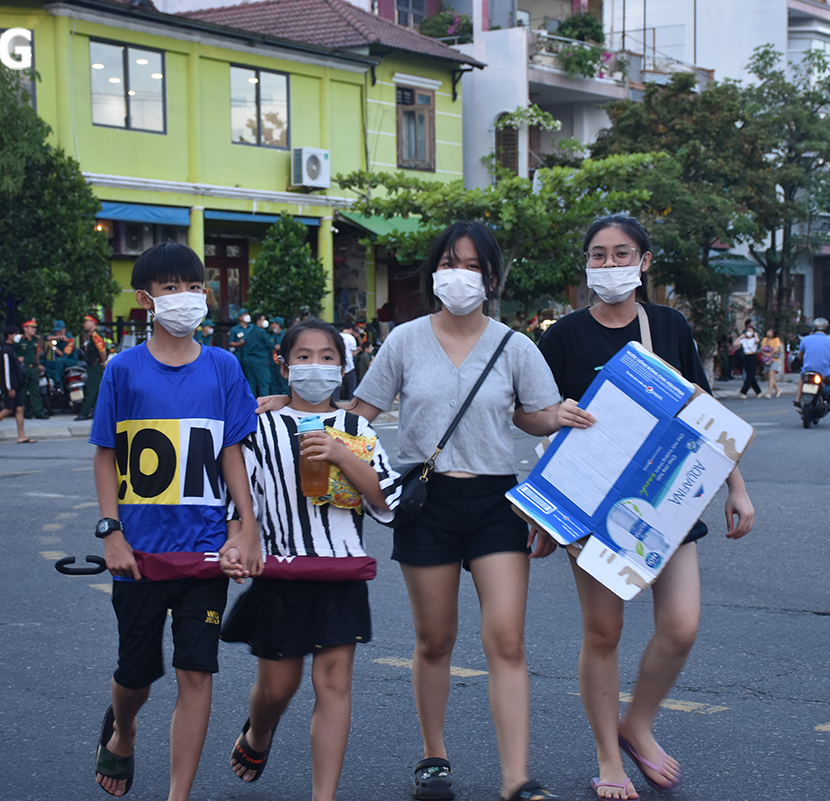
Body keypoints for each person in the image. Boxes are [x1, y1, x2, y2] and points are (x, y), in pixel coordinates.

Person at [260, 222, 565, 801]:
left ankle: (516, 778)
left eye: (473, 266)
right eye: (450, 262)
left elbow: (539, 414)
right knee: (435, 640)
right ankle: (434, 756)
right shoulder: (404, 341)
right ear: (433, 272)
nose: (460, 274)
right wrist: (294, 405)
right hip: (425, 501)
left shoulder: (515, 345)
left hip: (497, 499)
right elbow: (358, 415)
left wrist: (563, 415)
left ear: (492, 277)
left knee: (507, 639)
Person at [537, 215, 754, 799]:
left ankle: (638, 723)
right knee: (603, 631)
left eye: (621, 253)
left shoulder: (668, 326)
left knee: (681, 627)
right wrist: (541, 502)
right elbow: (532, 418)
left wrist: (736, 485)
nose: (609, 265)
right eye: (599, 255)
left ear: (645, 261)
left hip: (665, 498)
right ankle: (609, 757)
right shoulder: (562, 337)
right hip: (591, 505)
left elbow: (702, 409)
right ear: (585, 263)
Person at [88, 241, 262, 800]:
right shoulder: (123, 369)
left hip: (206, 552)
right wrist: (112, 532)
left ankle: (177, 794)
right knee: (135, 676)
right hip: (138, 555)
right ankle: (124, 727)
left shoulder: (224, 366)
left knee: (197, 670)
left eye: (193, 287)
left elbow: (233, 448)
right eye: (170, 289)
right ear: (146, 300)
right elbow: (106, 453)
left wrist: (246, 524)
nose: (185, 299)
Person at [223, 318, 401, 801]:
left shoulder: (357, 429)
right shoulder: (259, 426)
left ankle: (325, 795)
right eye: (303, 357)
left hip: (341, 571)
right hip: (281, 572)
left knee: (335, 682)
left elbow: (387, 502)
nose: (315, 367)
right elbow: (240, 501)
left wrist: (344, 456)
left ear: (343, 369)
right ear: (284, 367)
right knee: (278, 687)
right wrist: (238, 539)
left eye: (327, 358)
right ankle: (259, 732)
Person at [0, 325, 35, 443]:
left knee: (20, 408)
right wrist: (9, 387)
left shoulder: (11, 349)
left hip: (16, 383)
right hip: (11, 385)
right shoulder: (6, 350)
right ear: (10, 335)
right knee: (8, 409)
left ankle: (21, 435)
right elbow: (6, 370)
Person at [794, 318, 830, 411]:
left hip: (807, 372)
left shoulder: (805, 339)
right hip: (824, 374)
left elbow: (800, 356)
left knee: (801, 376)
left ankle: (798, 399)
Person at [74, 315, 108, 421]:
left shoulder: (95, 335)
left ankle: (85, 412)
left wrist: (104, 362)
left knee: (91, 389)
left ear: (93, 322)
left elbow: (102, 350)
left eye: (86, 321)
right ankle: (97, 411)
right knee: (95, 390)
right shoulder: (90, 335)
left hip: (95, 365)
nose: (84, 324)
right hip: (92, 365)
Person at [15, 318, 47, 420]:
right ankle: (25, 412)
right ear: (25, 328)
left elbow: (37, 353)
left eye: (35, 328)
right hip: (23, 367)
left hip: (33, 368)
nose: (34, 330)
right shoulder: (19, 339)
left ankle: (39, 412)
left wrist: (38, 365)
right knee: (23, 391)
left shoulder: (35, 340)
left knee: (35, 391)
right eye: (31, 328)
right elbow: (12, 352)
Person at [239, 313, 275, 398]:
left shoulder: (249, 331)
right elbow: (270, 344)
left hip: (249, 360)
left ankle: (251, 406)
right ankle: (264, 405)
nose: (265, 322)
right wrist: (276, 346)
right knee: (264, 383)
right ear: (258, 321)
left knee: (252, 384)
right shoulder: (262, 332)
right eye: (263, 319)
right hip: (260, 360)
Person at [734, 321, 761, 398]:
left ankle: (744, 391)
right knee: (750, 375)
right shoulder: (744, 340)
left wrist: (755, 334)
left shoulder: (754, 340)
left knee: (750, 375)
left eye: (750, 331)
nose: (749, 332)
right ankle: (758, 391)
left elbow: (757, 341)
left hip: (752, 356)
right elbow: (735, 344)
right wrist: (741, 337)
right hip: (746, 357)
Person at [47, 320, 77, 388]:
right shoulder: (58, 336)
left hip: (70, 360)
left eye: (59, 331)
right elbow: (46, 337)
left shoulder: (70, 339)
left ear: (64, 330)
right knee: (46, 363)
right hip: (60, 361)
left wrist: (53, 347)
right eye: (55, 332)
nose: (57, 333)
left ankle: (58, 383)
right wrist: (58, 337)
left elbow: (64, 355)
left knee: (59, 361)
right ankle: (53, 378)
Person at [335, 323, 360, 402]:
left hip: (337, 364)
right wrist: (358, 350)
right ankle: (352, 404)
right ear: (351, 329)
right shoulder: (351, 338)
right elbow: (353, 353)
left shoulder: (336, 336)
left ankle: (335, 403)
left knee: (336, 387)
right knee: (351, 386)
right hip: (349, 365)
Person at [760, 327, 784, 398]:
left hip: (774, 359)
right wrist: (766, 354)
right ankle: (778, 389)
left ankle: (769, 393)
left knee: (771, 374)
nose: (769, 332)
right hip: (767, 360)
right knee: (768, 376)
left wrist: (770, 354)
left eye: (771, 331)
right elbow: (762, 349)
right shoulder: (765, 339)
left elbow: (776, 349)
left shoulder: (776, 339)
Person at [267, 317, 287, 394]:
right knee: (274, 385)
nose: (272, 325)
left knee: (283, 384)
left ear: (278, 325)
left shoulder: (285, 335)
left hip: (281, 363)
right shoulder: (271, 336)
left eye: (273, 323)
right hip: (272, 363)